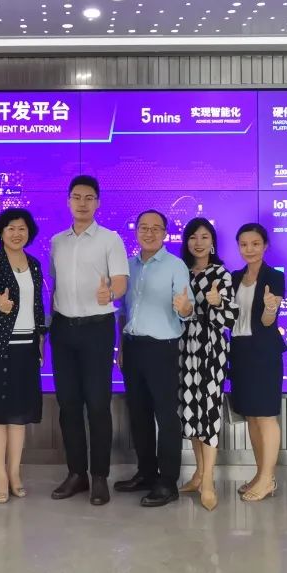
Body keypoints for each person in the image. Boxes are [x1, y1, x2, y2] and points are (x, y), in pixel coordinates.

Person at [48, 175, 130, 506]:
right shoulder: (57, 241)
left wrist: (110, 293)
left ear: (98, 203)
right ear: (68, 201)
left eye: (89, 198)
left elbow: (121, 282)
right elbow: (54, 286)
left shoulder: (110, 239)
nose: (82, 203)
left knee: (97, 404)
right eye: (76, 197)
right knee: (68, 405)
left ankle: (99, 476)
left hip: (97, 328)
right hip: (63, 329)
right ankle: (76, 473)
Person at [113, 210, 193, 508]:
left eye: (155, 228)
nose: (149, 233)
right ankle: (146, 473)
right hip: (133, 348)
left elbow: (186, 309)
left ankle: (168, 482)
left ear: (164, 233)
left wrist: (184, 307)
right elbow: (124, 311)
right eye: (143, 227)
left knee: (166, 417)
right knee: (139, 414)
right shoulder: (127, 266)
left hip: (162, 349)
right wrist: (121, 347)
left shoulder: (175, 265)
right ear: (136, 231)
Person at [0, 208, 45, 503]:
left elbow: (38, 305)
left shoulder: (34, 264)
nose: (17, 233)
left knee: (19, 416)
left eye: (22, 228)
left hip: (27, 346)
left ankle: (15, 473)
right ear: (1, 233)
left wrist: (41, 339)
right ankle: (0, 476)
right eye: (11, 228)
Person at [171, 217, 237, 511]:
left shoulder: (221, 274)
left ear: (212, 242)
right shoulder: (180, 272)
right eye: (193, 237)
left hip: (211, 348)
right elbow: (173, 311)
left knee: (208, 413)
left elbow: (230, 319)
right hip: (184, 348)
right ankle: (198, 473)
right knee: (191, 412)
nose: (198, 242)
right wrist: (184, 311)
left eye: (204, 237)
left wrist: (216, 302)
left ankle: (208, 480)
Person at [228, 224, 286, 503]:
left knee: (265, 415)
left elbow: (266, 321)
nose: (249, 249)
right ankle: (260, 474)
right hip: (239, 351)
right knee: (251, 415)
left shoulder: (274, 277)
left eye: (255, 244)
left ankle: (268, 479)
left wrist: (271, 308)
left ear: (265, 246)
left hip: (264, 352)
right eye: (244, 244)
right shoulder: (234, 277)